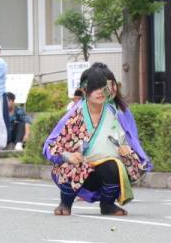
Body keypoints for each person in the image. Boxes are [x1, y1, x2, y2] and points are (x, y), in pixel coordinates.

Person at [43, 63, 151, 216]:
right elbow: (51, 146)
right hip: (79, 169)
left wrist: (127, 150)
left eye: (104, 87)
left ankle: (107, 205)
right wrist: (68, 156)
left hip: (105, 169)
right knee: (72, 163)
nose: (100, 92)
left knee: (114, 166)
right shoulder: (74, 116)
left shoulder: (115, 113)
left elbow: (127, 141)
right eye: (95, 88)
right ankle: (65, 202)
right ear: (85, 90)